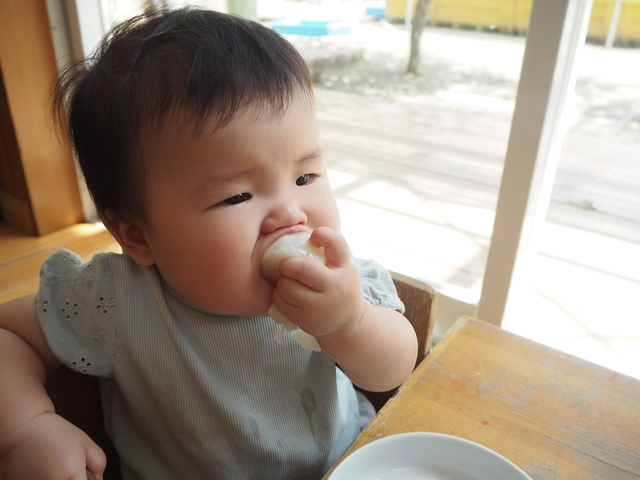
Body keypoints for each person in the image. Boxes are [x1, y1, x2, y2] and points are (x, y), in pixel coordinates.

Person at [0, 7, 418, 480]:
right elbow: (8, 335)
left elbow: (395, 370)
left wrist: (350, 321)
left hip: (342, 467)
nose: (290, 213)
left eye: (305, 175)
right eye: (237, 195)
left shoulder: (339, 283)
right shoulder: (118, 301)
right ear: (137, 234)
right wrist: (26, 427)